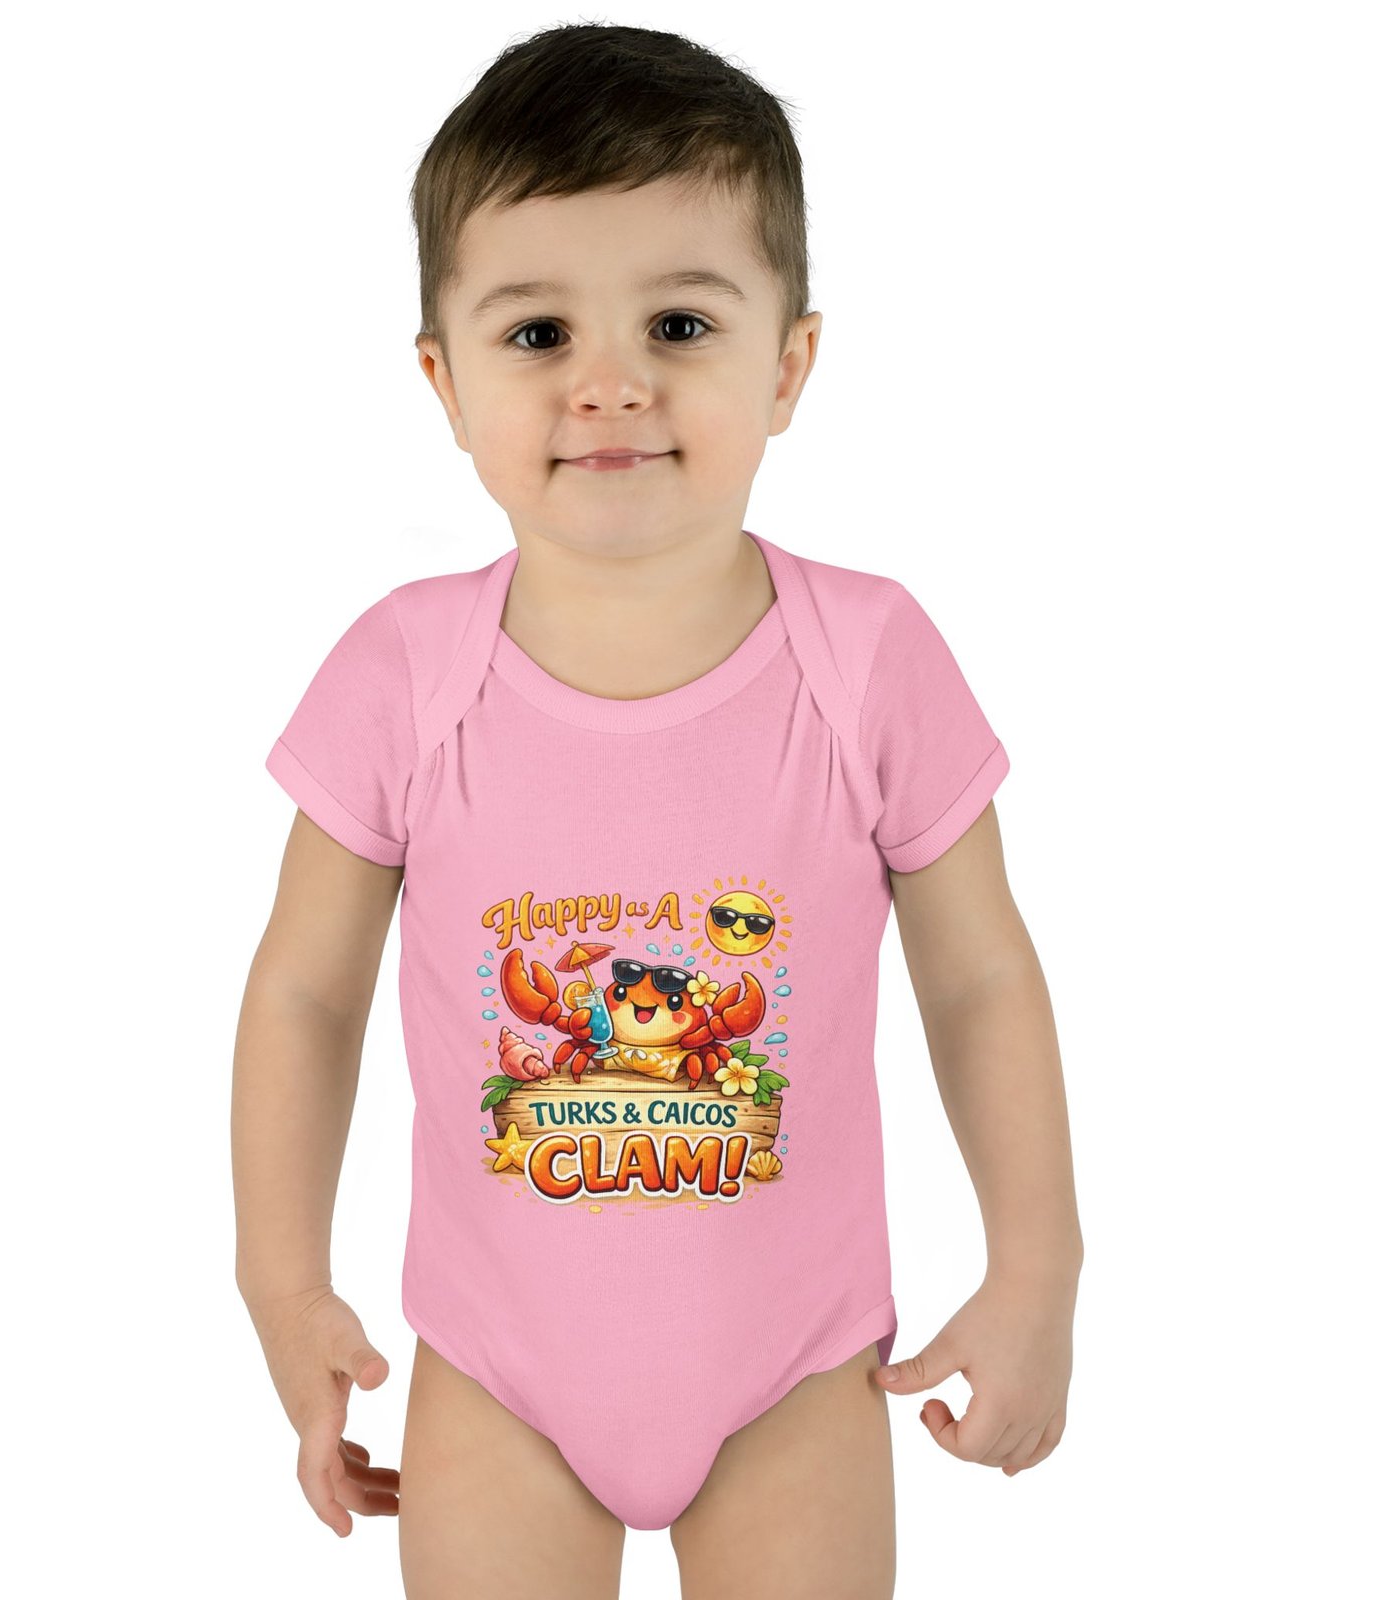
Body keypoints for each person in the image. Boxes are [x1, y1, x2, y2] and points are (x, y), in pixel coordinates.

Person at [232, 22, 1081, 1599]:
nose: (610, 383)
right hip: (496, 1373)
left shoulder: (868, 657)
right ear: (445, 382)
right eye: (538, 332)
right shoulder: (404, 673)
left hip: (795, 1372)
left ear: (789, 366)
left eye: (679, 323)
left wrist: (1039, 1265)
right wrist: (282, 1288)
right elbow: (303, 994)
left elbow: (978, 977)